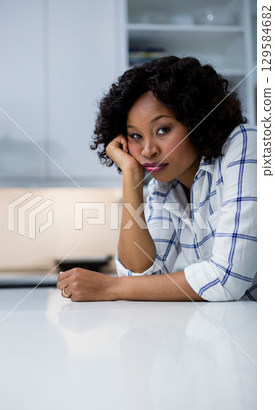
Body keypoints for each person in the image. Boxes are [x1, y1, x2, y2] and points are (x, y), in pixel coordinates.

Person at [57, 56, 257, 302]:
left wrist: (111, 287)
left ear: (197, 121)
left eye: (163, 130)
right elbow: (140, 277)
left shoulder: (245, 144)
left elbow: (227, 279)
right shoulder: (166, 185)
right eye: (136, 136)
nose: (148, 150)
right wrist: (131, 175)